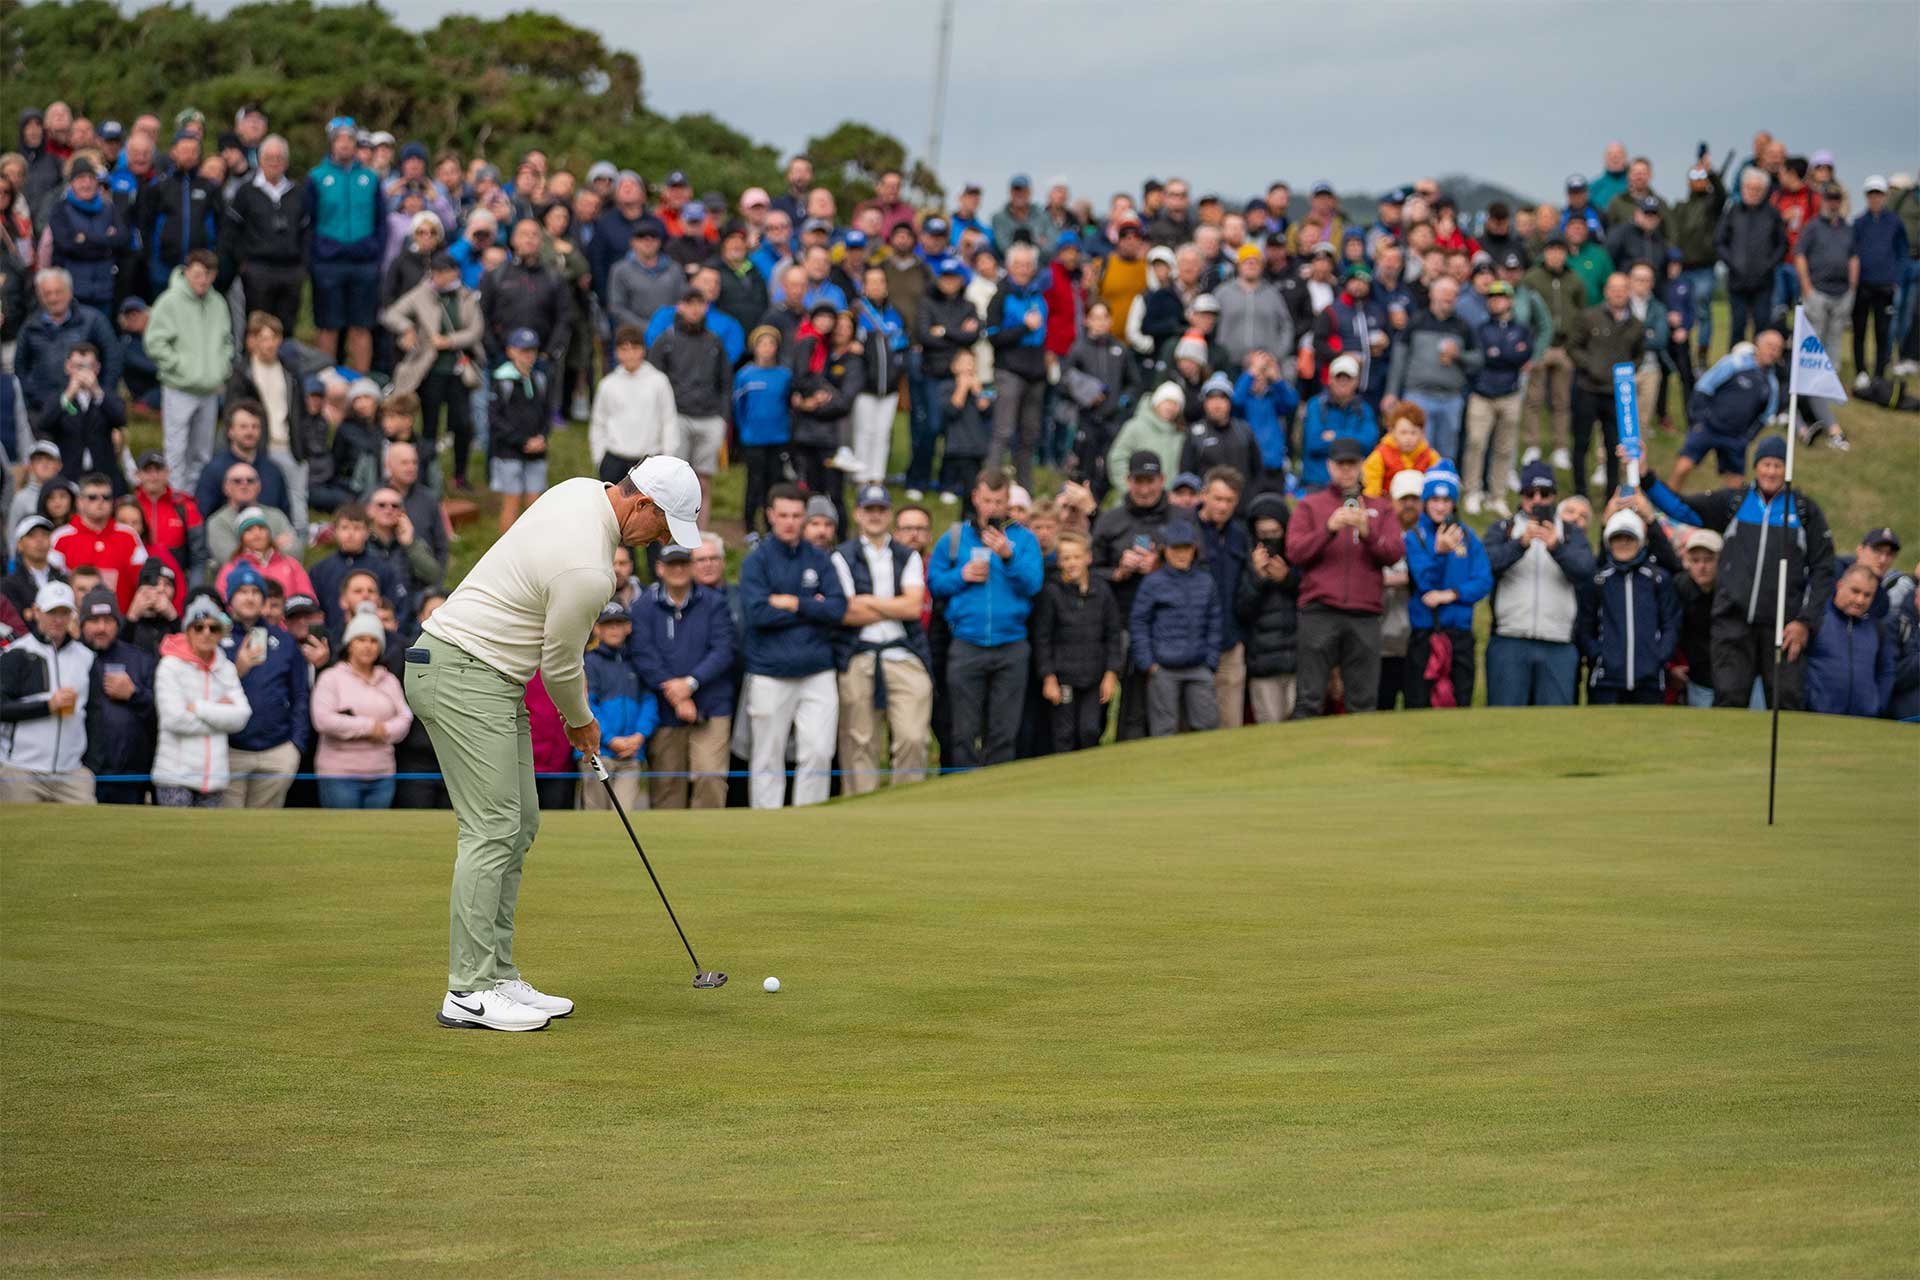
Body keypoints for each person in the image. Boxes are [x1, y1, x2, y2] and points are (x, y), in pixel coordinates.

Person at [408, 454, 703, 1031]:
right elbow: (560, 663)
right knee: (492, 827)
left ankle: (498, 975)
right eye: (663, 526)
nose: (659, 540)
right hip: (462, 672)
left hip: (485, 676)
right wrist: (582, 722)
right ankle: (468, 990)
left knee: (520, 824)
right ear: (641, 503)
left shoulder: (578, 490)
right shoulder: (590, 569)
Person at [1642, 436, 1835, 709]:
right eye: (1766, 464)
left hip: (1783, 627)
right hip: (1732, 622)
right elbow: (1680, 508)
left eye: (1778, 465)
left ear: (1787, 470)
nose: (1771, 471)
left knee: (1786, 703)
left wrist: (1805, 621)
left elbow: (1823, 569)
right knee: (1729, 701)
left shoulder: (1805, 511)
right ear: (1756, 467)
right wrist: (1646, 477)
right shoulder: (1735, 501)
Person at [738, 484, 847, 810]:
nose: (789, 521)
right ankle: (767, 826)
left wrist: (793, 604)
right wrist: (812, 608)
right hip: (769, 671)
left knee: (818, 751)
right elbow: (757, 613)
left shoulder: (820, 559)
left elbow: (837, 608)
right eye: (783, 515)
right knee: (766, 756)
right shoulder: (756, 562)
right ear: (770, 515)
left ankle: (809, 821)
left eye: (796, 515)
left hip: (817, 671)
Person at [927, 471, 1044, 768]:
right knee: (963, 731)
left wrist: (1008, 557)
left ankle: (997, 793)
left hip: (1011, 644)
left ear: (1008, 501)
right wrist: (961, 576)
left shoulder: (1023, 539)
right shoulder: (954, 538)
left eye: (1000, 501)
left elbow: (1033, 585)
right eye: (988, 500)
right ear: (976, 499)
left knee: (1004, 731)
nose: (993, 507)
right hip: (967, 642)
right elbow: (934, 583)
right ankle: (964, 791)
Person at [1285, 436, 1406, 717]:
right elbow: (1295, 552)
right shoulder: (1310, 506)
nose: (1346, 471)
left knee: (1363, 702)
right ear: (1329, 466)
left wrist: (1367, 533)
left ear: (1361, 465)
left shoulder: (1381, 507)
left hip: (1364, 613)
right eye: (1340, 465)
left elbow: (1393, 553)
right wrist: (1328, 528)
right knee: (1309, 699)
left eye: (1352, 464)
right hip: (1319, 610)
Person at [828, 485, 932, 793]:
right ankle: (862, 808)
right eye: (869, 510)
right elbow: (846, 611)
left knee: (913, 737)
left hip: (903, 652)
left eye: (881, 510)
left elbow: (913, 606)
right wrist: (893, 604)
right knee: (859, 741)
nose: (875, 516)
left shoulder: (906, 556)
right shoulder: (841, 556)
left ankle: (907, 802)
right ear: (859, 513)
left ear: (888, 514)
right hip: (858, 653)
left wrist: (867, 602)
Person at [631, 543, 736, 810]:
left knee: (710, 777)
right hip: (665, 708)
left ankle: (707, 845)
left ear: (691, 567)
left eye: (683, 564)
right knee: (667, 786)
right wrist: (675, 695)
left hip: (711, 705)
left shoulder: (714, 603)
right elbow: (643, 654)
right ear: (659, 568)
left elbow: (723, 649)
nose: (678, 570)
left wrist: (689, 684)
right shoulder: (644, 606)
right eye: (671, 565)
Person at [1482, 462, 1594, 706]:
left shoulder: (1570, 532)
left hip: (1558, 641)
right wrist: (1518, 545)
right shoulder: (1504, 528)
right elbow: (1485, 565)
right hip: (1510, 637)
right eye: (1530, 493)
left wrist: (1556, 548)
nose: (1537, 500)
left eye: (1544, 494)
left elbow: (1586, 570)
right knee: (1505, 721)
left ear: (1553, 496)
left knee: (1554, 727)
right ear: (1521, 496)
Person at [1091, 451, 1173, 739]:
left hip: (1162, 626)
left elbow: (1197, 570)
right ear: (1128, 481)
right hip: (1117, 624)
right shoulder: (1110, 521)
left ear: (1162, 480)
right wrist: (1118, 572)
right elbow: (1088, 572)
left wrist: (1160, 566)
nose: (1145, 488)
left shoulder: (1178, 519)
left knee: (1151, 703)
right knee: (1103, 701)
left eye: (1150, 481)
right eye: (1139, 481)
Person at [217, 562, 310, 810]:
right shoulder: (214, 638)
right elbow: (205, 693)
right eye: (242, 591)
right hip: (230, 750)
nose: (250, 597)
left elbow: (301, 694)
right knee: (230, 832)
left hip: (277, 752)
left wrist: (295, 746)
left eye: (256, 592)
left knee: (265, 832)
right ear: (230, 597)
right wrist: (237, 669)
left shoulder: (285, 641)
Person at [1402, 463, 1492, 708]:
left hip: (1459, 634)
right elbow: (1424, 582)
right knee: (1419, 704)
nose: (1440, 506)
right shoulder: (1415, 537)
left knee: (1460, 702)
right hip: (1426, 634)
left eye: (1446, 500)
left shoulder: (1469, 537)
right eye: (1434, 499)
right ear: (1425, 501)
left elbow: (1484, 580)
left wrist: (1452, 594)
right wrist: (1439, 553)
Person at [151, 595, 251, 807]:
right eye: (198, 627)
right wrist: (221, 716)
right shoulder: (170, 666)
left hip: (214, 778)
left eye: (213, 628)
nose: (206, 633)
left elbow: (242, 717)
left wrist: (198, 707)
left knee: (208, 840)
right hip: (175, 777)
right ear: (187, 630)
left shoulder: (226, 668)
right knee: (178, 839)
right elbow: (174, 719)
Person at [146, 249, 232, 493]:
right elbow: (154, 343)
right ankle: (174, 501)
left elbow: (227, 341)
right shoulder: (169, 301)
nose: (202, 280)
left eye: (208, 275)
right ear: (187, 272)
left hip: (209, 389)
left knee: (202, 452)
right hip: (179, 388)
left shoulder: (218, 303)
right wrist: (179, 366)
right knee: (176, 450)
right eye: (197, 274)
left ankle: (195, 502)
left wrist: (221, 367)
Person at [0, 581, 94, 803]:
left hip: (71, 772)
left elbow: (94, 715)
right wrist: (47, 707)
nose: (58, 619)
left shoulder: (86, 657)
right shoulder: (17, 653)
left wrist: (90, 764)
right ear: (36, 611)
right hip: (21, 770)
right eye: (52, 612)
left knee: (86, 834)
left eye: (64, 612)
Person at [311, 605, 412, 808]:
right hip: (339, 775)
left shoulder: (389, 680)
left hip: (382, 774)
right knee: (343, 836)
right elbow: (323, 719)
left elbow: (405, 716)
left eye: (374, 640)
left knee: (377, 836)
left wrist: (384, 730)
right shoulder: (331, 677)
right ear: (349, 644)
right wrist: (369, 727)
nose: (368, 646)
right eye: (361, 639)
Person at [1129, 513, 1220, 736]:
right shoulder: (1153, 583)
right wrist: (1148, 663)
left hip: (1199, 665)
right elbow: (1139, 622)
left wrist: (1211, 660)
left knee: (1207, 726)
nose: (1181, 554)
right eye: (1175, 548)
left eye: (1186, 548)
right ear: (1165, 550)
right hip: (1163, 668)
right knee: (1164, 730)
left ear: (1194, 550)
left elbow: (1215, 622)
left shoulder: (1205, 581)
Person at [1031, 530, 1122, 751]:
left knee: (1090, 730)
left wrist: (1111, 675)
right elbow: (1042, 638)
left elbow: (1113, 635)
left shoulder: (1102, 590)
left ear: (1088, 558)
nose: (1072, 563)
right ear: (1059, 561)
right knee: (1064, 734)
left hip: (1094, 677)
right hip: (1063, 678)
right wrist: (1048, 677)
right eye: (1066, 558)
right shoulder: (1051, 592)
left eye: (1076, 557)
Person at [1579, 508, 1681, 705]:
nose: (1623, 543)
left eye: (1629, 538)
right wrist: (1599, 655)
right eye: (1618, 538)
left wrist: (1658, 657)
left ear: (1640, 541)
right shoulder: (1599, 581)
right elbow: (1585, 626)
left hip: (1649, 681)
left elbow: (1671, 624)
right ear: (1609, 542)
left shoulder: (1658, 579)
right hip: (1606, 681)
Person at [647, 287, 731, 514]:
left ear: (706, 307)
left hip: (710, 418)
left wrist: (723, 417)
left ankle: (699, 537)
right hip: (677, 417)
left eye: (699, 304)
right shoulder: (666, 339)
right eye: (689, 303)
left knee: (703, 481)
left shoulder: (715, 342)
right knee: (676, 481)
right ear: (680, 306)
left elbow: (725, 381)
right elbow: (654, 380)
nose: (695, 309)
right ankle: (674, 538)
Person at [1671, 329, 1783, 489]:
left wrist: (1747, 437)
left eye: (1777, 348)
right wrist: (1697, 420)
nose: (1772, 351)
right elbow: (1704, 387)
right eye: (1769, 345)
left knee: (1736, 487)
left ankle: (1727, 514)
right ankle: (1663, 510)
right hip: (1708, 427)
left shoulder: (1771, 383)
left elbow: (1766, 416)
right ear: (1758, 344)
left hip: (1735, 438)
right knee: (1683, 467)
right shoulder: (1735, 363)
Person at [1566, 273, 1644, 501]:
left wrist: (1628, 372)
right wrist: (1590, 366)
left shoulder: (1636, 324)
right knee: (1581, 443)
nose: (1618, 293)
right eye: (1614, 288)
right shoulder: (1589, 317)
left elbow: (1640, 354)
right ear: (1606, 291)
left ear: (1628, 291)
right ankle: (1580, 492)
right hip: (1587, 389)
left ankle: (1613, 493)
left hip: (1617, 395)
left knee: (1614, 447)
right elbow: (1573, 347)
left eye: (1623, 288)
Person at [1384, 277, 1478, 460]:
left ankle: (1442, 487)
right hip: (1418, 395)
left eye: (1454, 294)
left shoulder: (1463, 326)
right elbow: (1399, 359)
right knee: (1416, 450)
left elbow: (1478, 360)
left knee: (1446, 453)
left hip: (1450, 398)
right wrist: (1391, 392)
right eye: (1444, 292)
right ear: (1432, 294)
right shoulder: (1416, 321)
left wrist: (1459, 355)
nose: (1449, 297)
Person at [78, 586, 156, 805]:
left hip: (130, 776)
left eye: (108, 620)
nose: (101, 628)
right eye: (94, 620)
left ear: (118, 623)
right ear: (82, 624)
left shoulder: (139, 659)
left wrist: (134, 694)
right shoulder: (71, 658)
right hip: (82, 773)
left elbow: (158, 714)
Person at [577, 601, 656, 811]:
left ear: (628, 627)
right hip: (598, 751)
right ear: (597, 629)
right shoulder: (588, 662)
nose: (614, 629)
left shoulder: (638, 661)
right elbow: (587, 704)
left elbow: (649, 700)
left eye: (619, 623)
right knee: (596, 814)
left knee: (625, 812)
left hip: (631, 752)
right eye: (608, 624)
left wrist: (640, 734)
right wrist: (610, 738)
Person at [1463, 280, 1532, 517]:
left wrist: (1501, 355)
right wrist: (1506, 355)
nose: (1496, 301)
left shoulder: (1521, 329)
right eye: (1492, 298)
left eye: (1501, 297)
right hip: (1482, 394)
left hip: (1510, 394)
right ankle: (1472, 491)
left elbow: (1522, 354)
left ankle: (1497, 495)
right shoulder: (1481, 329)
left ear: (1510, 301)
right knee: (1476, 444)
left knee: (1504, 448)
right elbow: (1483, 358)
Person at [984, 243, 1050, 487]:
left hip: (1036, 372)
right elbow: (993, 335)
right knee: (1003, 431)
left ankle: (1024, 489)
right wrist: (1023, 327)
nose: (1023, 269)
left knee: (1029, 435)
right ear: (1009, 266)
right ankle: (990, 485)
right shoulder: (1001, 295)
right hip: (1009, 370)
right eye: (1018, 265)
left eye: (1028, 265)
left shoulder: (1038, 295)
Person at [1235, 492, 1300, 722]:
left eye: (1275, 533)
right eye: (1263, 534)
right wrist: (1257, 577)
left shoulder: (1298, 557)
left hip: (1298, 660)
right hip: (1262, 663)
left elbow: (1311, 600)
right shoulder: (1245, 561)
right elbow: (1242, 610)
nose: (1270, 539)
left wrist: (1287, 579)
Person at [1803, 563, 1894, 717]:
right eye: (1855, 591)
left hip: (1865, 722)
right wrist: (1808, 702)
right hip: (1818, 718)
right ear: (1840, 585)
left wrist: (1877, 706)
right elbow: (1798, 666)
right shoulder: (1816, 620)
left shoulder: (1878, 629)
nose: (1860, 600)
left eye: (1867, 595)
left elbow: (1886, 671)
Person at [35, 341, 126, 494]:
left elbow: (120, 419)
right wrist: (68, 395)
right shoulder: (57, 397)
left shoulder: (106, 396)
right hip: (69, 474)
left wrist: (96, 391)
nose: (83, 372)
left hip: (103, 474)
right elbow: (45, 423)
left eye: (88, 366)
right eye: (78, 366)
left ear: (97, 368)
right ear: (68, 367)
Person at [51, 472, 148, 613]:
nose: (100, 502)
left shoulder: (129, 535)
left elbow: (143, 581)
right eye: (92, 497)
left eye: (106, 497)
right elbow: (54, 585)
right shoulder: (61, 537)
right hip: (75, 624)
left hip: (120, 621)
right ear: (79, 501)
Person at [1716, 168, 1787, 345]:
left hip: (1763, 281)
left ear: (1764, 191)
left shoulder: (1772, 214)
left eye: (1757, 189)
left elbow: (1782, 244)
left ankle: (1760, 368)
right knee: (1737, 325)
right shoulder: (1732, 212)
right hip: (1737, 280)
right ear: (1742, 188)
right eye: (1748, 188)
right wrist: (1732, 263)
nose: (1752, 193)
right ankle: (1736, 368)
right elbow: (1719, 241)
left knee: (1762, 325)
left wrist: (1769, 265)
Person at [488, 328, 549, 532]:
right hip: (510, 451)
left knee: (535, 502)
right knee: (511, 502)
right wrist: (522, 441)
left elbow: (546, 414)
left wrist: (542, 438)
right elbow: (495, 420)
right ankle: (505, 551)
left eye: (532, 351)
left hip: (536, 452)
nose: (528, 355)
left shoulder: (539, 379)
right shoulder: (502, 380)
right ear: (511, 351)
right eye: (523, 351)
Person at [1852, 176, 1910, 383]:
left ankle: (1878, 373)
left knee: (1882, 332)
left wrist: (1897, 278)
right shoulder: (1859, 222)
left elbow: (1903, 253)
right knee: (1859, 330)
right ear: (1867, 197)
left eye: (1878, 194)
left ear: (1884, 196)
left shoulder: (1894, 222)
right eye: (1871, 194)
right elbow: (1853, 253)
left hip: (1886, 286)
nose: (1875, 198)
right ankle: (1860, 371)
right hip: (1863, 285)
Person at [1300, 356, 1379, 490]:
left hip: (1353, 483)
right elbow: (1313, 443)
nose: (1343, 382)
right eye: (1338, 377)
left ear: (1357, 381)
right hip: (1318, 482)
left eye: (1348, 378)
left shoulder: (1364, 409)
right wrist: (1353, 440)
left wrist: (1334, 435)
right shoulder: (1315, 405)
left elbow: (1369, 443)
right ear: (1330, 379)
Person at [214, 505, 314, 603]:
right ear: (241, 538)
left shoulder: (291, 564)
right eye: (249, 530)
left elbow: (307, 598)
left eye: (261, 528)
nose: (257, 533)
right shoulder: (230, 569)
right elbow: (222, 602)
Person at [1670, 528, 1724, 708]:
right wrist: (1671, 667)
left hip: (1735, 677)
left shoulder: (1735, 590)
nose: (1702, 566)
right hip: (1696, 679)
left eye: (1708, 560)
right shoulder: (1679, 588)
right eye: (1695, 560)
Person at [1361, 404, 1440, 499]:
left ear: (1422, 433)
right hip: (1387, 508)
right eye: (1403, 432)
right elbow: (1371, 492)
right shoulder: (1380, 455)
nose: (1408, 438)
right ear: (1392, 431)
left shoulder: (1431, 456)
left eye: (1413, 432)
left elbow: (1437, 489)